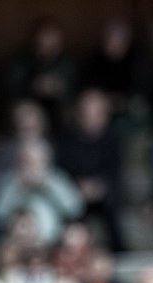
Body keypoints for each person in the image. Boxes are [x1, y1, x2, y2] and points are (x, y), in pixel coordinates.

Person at [56, 89, 125, 250]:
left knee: (112, 206)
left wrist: (100, 186)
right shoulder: (67, 139)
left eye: (97, 112)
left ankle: (119, 249)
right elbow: (62, 170)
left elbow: (115, 169)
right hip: (74, 191)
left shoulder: (112, 140)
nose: (91, 117)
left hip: (104, 192)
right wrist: (78, 186)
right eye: (87, 112)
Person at [0, 140, 83, 246]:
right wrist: (17, 187)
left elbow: (75, 209)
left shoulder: (56, 178)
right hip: (14, 245)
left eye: (36, 161)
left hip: (51, 244)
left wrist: (48, 186)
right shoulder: (9, 180)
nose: (31, 166)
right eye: (26, 161)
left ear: (45, 161)